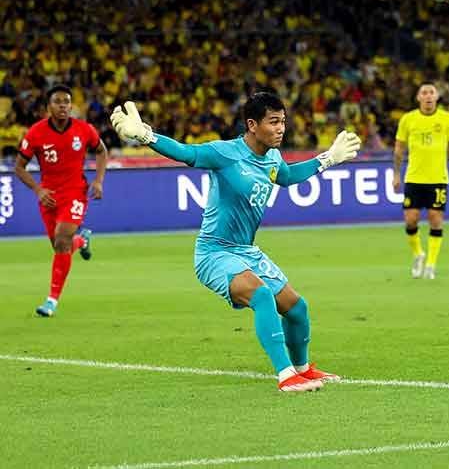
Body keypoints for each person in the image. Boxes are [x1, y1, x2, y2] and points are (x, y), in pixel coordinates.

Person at [110, 92, 361, 392]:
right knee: (262, 295)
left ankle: (302, 369)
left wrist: (327, 159)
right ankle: (286, 376)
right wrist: (146, 136)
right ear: (252, 125)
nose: (281, 128)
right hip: (214, 252)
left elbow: (287, 176)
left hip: (246, 251)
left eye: (283, 121)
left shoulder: (272, 156)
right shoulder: (225, 153)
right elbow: (186, 153)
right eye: (274, 122)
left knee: (297, 309)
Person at [15, 84, 106, 318]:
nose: (63, 106)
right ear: (49, 106)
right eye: (58, 102)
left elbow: (101, 151)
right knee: (60, 246)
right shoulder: (36, 133)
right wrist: (38, 190)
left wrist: (98, 181)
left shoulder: (84, 129)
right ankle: (81, 241)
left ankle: (51, 301)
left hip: (75, 192)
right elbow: (19, 167)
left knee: (63, 238)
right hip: (49, 196)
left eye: (66, 101)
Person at [392, 83, 449, 280]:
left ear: (437, 97)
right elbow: (399, 149)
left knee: (435, 219)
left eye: (431, 92)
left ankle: (431, 264)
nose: (428, 96)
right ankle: (418, 254)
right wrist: (396, 174)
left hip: (438, 178)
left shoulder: (448, 118)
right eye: (424, 92)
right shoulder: (408, 119)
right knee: (411, 219)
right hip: (414, 178)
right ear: (418, 97)